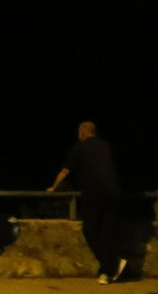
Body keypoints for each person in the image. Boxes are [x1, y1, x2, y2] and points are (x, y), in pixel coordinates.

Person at [49, 121, 127, 284]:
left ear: (83, 133)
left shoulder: (80, 147)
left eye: (79, 133)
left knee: (89, 230)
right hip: (114, 192)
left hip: (95, 193)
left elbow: (65, 171)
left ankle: (110, 265)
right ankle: (107, 270)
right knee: (107, 231)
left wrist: (53, 187)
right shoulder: (105, 145)